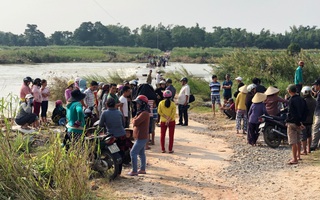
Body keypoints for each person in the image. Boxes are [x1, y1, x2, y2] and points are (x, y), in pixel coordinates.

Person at [99, 98, 126, 174]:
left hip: (112, 136)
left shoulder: (104, 113)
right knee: (121, 152)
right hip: (122, 135)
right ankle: (119, 171)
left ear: (106, 105)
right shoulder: (119, 112)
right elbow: (123, 124)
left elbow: (100, 124)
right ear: (115, 105)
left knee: (113, 152)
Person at [128, 95, 150, 176]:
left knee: (133, 153)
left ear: (142, 103)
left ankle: (134, 171)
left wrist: (133, 119)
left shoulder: (144, 113)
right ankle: (142, 169)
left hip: (141, 137)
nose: (136, 105)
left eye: (138, 103)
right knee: (141, 153)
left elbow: (135, 122)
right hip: (140, 136)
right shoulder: (142, 112)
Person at [286, 84, 306, 164]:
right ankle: (298, 156)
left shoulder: (291, 100)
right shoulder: (301, 99)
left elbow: (292, 112)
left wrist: (296, 122)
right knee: (298, 140)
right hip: (300, 122)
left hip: (293, 122)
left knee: (293, 141)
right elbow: (305, 111)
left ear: (290, 91)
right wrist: (301, 122)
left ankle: (294, 159)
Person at [301, 86, 316, 154]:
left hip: (304, 121)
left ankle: (304, 150)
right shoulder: (314, 101)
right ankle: (308, 149)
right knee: (309, 135)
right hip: (311, 120)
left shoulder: (304, 101)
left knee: (303, 136)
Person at [311, 78, 320, 151]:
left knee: (316, 129)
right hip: (317, 112)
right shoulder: (318, 93)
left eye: (315, 85)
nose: (314, 87)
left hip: (319, 113)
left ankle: (314, 145)